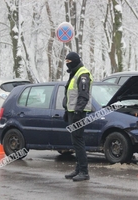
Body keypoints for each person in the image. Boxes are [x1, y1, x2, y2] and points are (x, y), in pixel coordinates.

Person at [63, 51, 93, 181]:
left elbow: (83, 95)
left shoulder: (83, 74)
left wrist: (77, 112)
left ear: (74, 61)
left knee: (78, 141)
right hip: (72, 111)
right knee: (75, 141)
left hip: (79, 113)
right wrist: (67, 110)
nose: (67, 65)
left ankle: (84, 172)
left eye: (69, 62)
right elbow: (71, 95)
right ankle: (78, 169)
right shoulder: (75, 73)